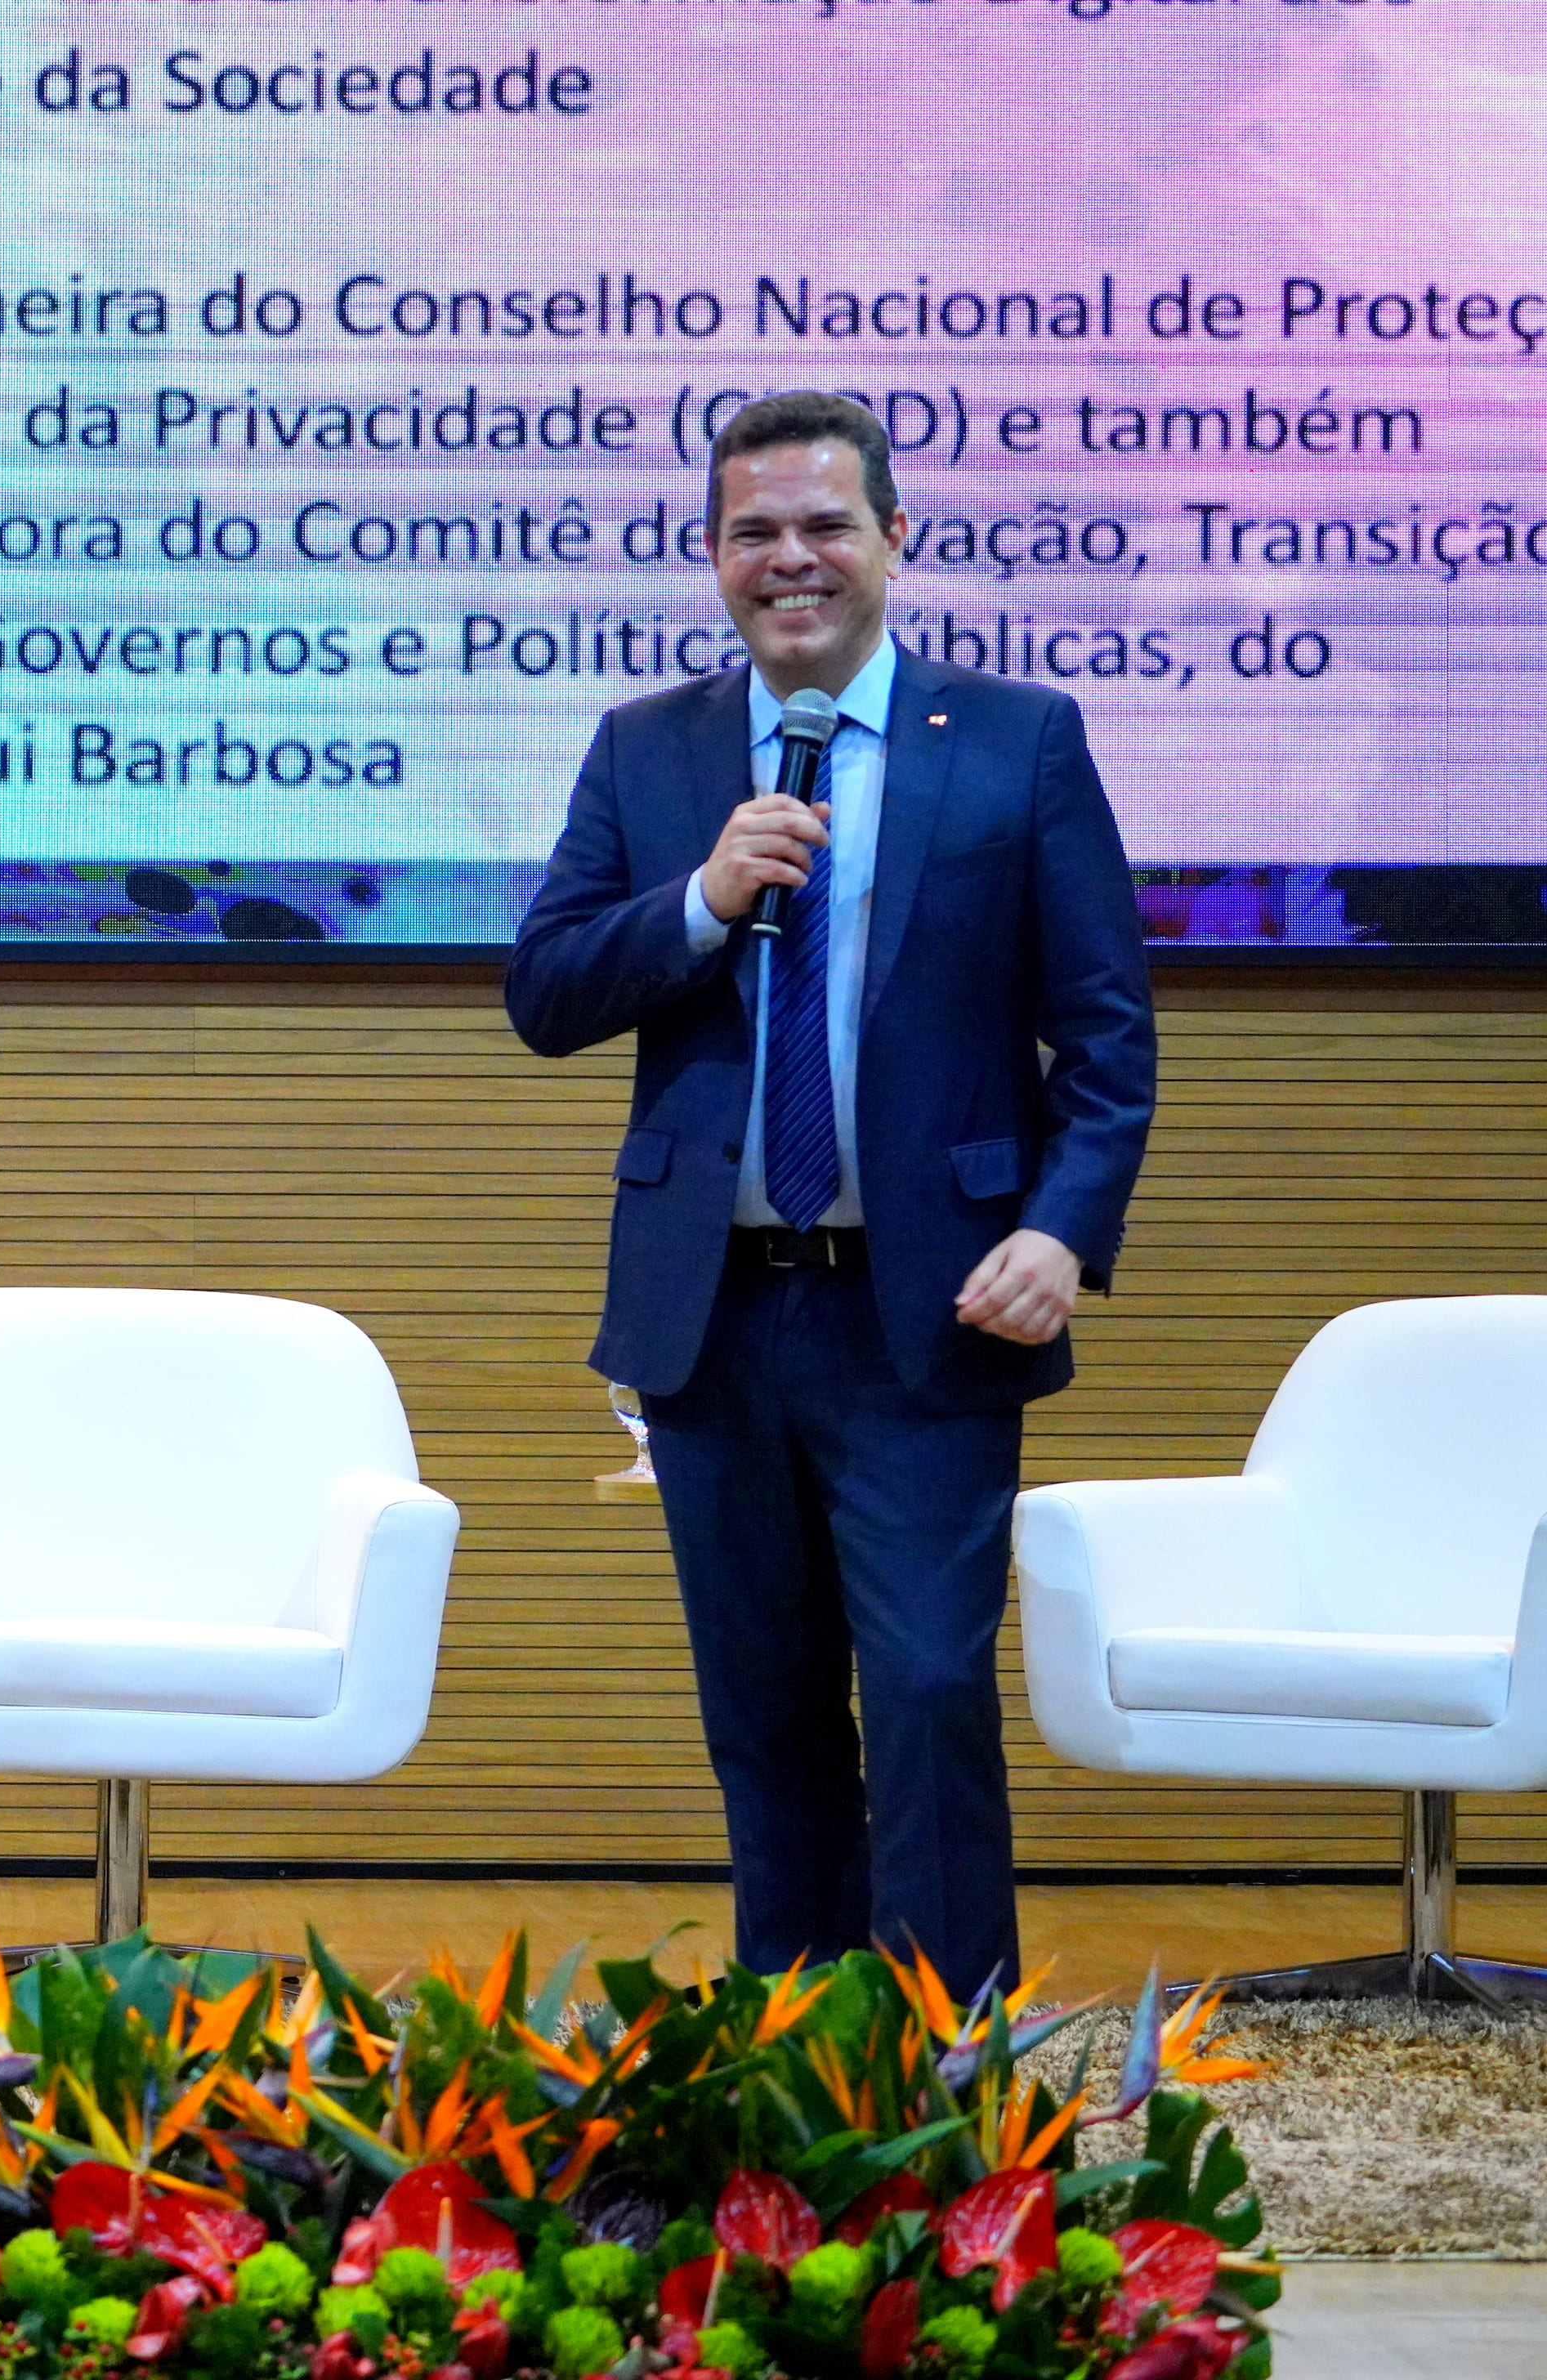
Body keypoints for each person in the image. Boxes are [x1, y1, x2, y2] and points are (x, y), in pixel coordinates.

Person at [507, 391, 1156, 1998]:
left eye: (822, 526)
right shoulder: (645, 750)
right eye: (752, 532)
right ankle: (796, 2057)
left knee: (929, 1685)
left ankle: (946, 2063)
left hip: (926, 1310)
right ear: (711, 555)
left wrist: (1060, 1228)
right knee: (765, 1704)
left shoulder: (1014, 739)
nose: (787, 559)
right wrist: (700, 900)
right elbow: (546, 993)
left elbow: (1104, 1032)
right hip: (715, 1315)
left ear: (893, 540)